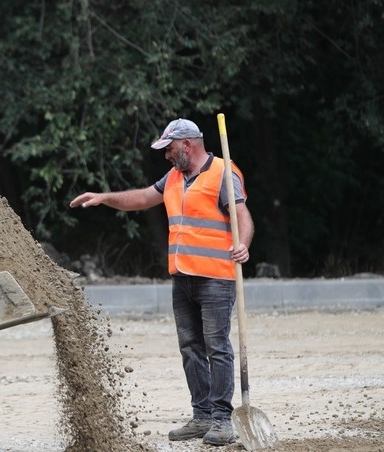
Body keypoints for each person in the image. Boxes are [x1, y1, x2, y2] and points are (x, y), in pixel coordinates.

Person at [69, 118, 254, 446]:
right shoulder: (174, 177)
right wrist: (103, 197)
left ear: (187, 145)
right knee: (190, 348)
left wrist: (244, 244)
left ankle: (223, 420)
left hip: (215, 277)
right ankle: (202, 416)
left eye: (169, 148)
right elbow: (142, 198)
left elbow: (242, 216)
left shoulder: (223, 173)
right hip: (182, 277)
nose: (166, 155)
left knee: (217, 347)